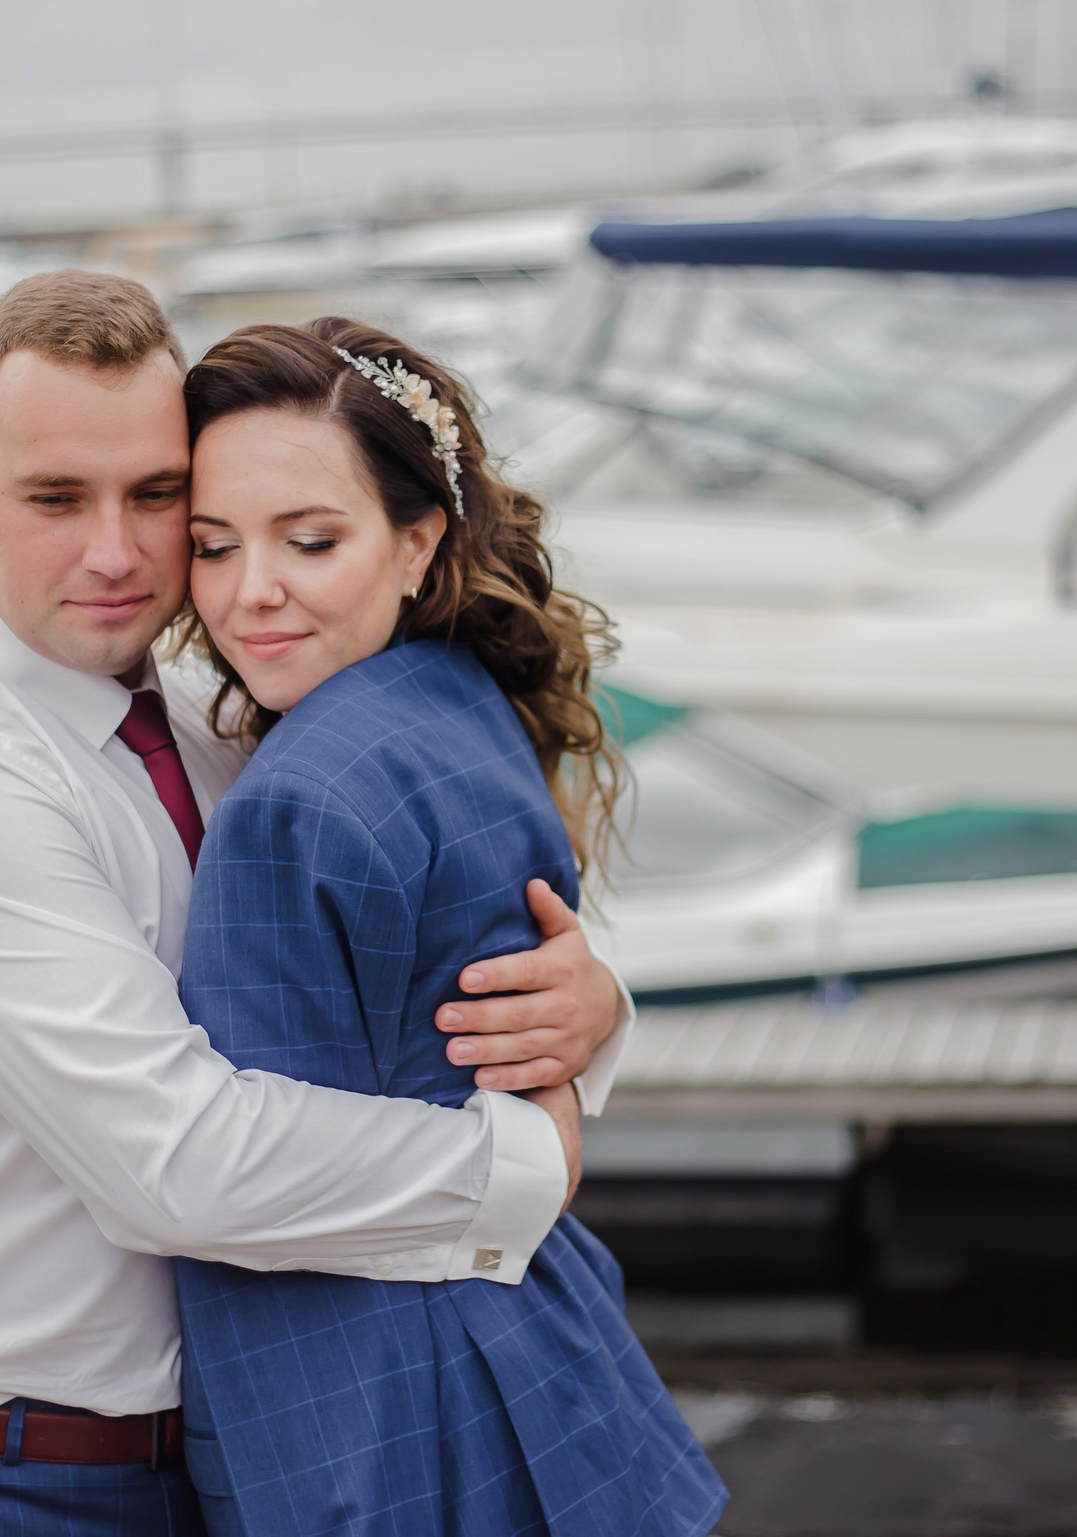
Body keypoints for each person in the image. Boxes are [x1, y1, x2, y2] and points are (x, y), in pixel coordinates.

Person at [0, 271, 632, 1536]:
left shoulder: (205, 716)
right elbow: (172, 1165)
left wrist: (588, 1007)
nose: (117, 551)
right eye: (56, 498)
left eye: (158, 498)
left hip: (199, 1463)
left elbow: (399, 970)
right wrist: (523, 1160)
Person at [170, 318, 728, 1537]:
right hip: (534, 1348)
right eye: (212, 547)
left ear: (418, 539)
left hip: (376, 1418)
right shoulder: (455, 696)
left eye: (309, 540)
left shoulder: (292, 802)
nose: (249, 590)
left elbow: (256, 1187)